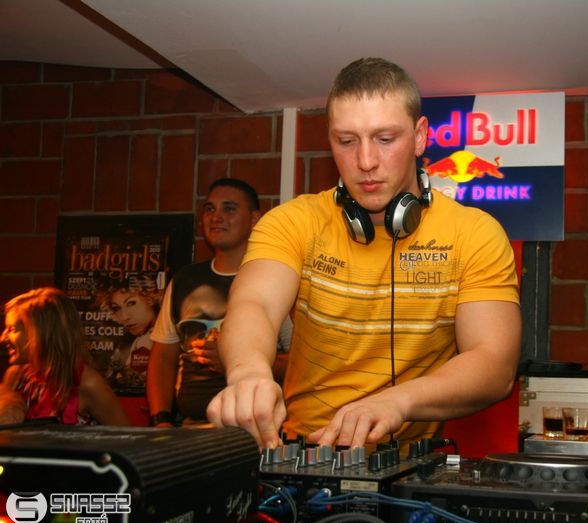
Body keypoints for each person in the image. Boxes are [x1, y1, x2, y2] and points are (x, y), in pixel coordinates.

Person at [207, 57, 521, 451]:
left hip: (408, 465)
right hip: (301, 451)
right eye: (347, 141)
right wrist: (248, 374)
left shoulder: (473, 234)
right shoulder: (293, 222)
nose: (366, 162)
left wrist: (396, 402)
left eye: (385, 139)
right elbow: (254, 304)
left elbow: (494, 363)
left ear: (420, 136)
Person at [146, 177, 292, 426]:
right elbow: (162, 359)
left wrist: (235, 361)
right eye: (210, 209)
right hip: (191, 429)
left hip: (257, 430)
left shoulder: (277, 280)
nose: (216, 217)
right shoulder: (185, 280)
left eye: (229, 209)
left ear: (254, 219)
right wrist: (162, 419)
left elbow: (301, 365)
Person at [0, 287, 129, 425]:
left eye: (12, 329)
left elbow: (125, 435)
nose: (2, 338)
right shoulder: (16, 375)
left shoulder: (87, 383)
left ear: (41, 333)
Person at [95, 274, 162, 389]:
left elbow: (134, 383)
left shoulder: (146, 340)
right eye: (117, 308)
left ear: (150, 298)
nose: (124, 317)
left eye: (131, 303)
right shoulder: (149, 336)